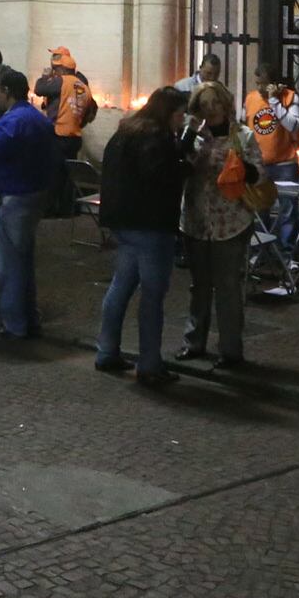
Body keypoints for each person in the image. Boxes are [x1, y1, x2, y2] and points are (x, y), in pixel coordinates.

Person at [94, 86, 190, 384]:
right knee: (152, 294)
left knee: (121, 285)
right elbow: (160, 177)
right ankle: (149, 363)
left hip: (123, 222)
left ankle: (106, 350)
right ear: (169, 113)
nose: (182, 120)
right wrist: (185, 165)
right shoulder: (155, 138)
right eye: (180, 114)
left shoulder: (127, 130)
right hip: (150, 224)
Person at [174, 81, 257, 368]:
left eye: (216, 103)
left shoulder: (242, 136)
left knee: (228, 288)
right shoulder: (194, 137)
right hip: (196, 221)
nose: (212, 110)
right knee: (199, 286)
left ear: (225, 103)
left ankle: (231, 349)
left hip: (231, 221)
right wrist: (188, 132)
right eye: (204, 105)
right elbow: (176, 164)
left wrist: (242, 169)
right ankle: (193, 342)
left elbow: (258, 173)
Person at [0, 68, 57, 340]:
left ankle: (13, 324)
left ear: (6, 92)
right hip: (34, 193)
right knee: (23, 262)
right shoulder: (37, 117)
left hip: (15, 196)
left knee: (9, 266)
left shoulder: (13, 122)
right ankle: (28, 317)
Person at [243, 63, 299, 259]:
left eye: (265, 84)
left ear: (275, 84)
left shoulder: (290, 97)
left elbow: (292, 125)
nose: (260, 88)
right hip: (259, 164)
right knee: (260, 210)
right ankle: (260, 253)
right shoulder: (251, 99)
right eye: (258, 83)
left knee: (288, 210)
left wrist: (275, 102)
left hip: (285, 163)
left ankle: (287, 254)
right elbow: (245, 126)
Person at [33, 45, 96, 217]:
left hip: (58, 134)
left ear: (61, 68)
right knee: (69, 175)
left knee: (53, 173)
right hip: (74, 135)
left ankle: (51, 210)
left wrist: (44, 77)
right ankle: (67, 209)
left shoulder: (63, 81)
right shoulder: (82, 85)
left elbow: (39, 89)